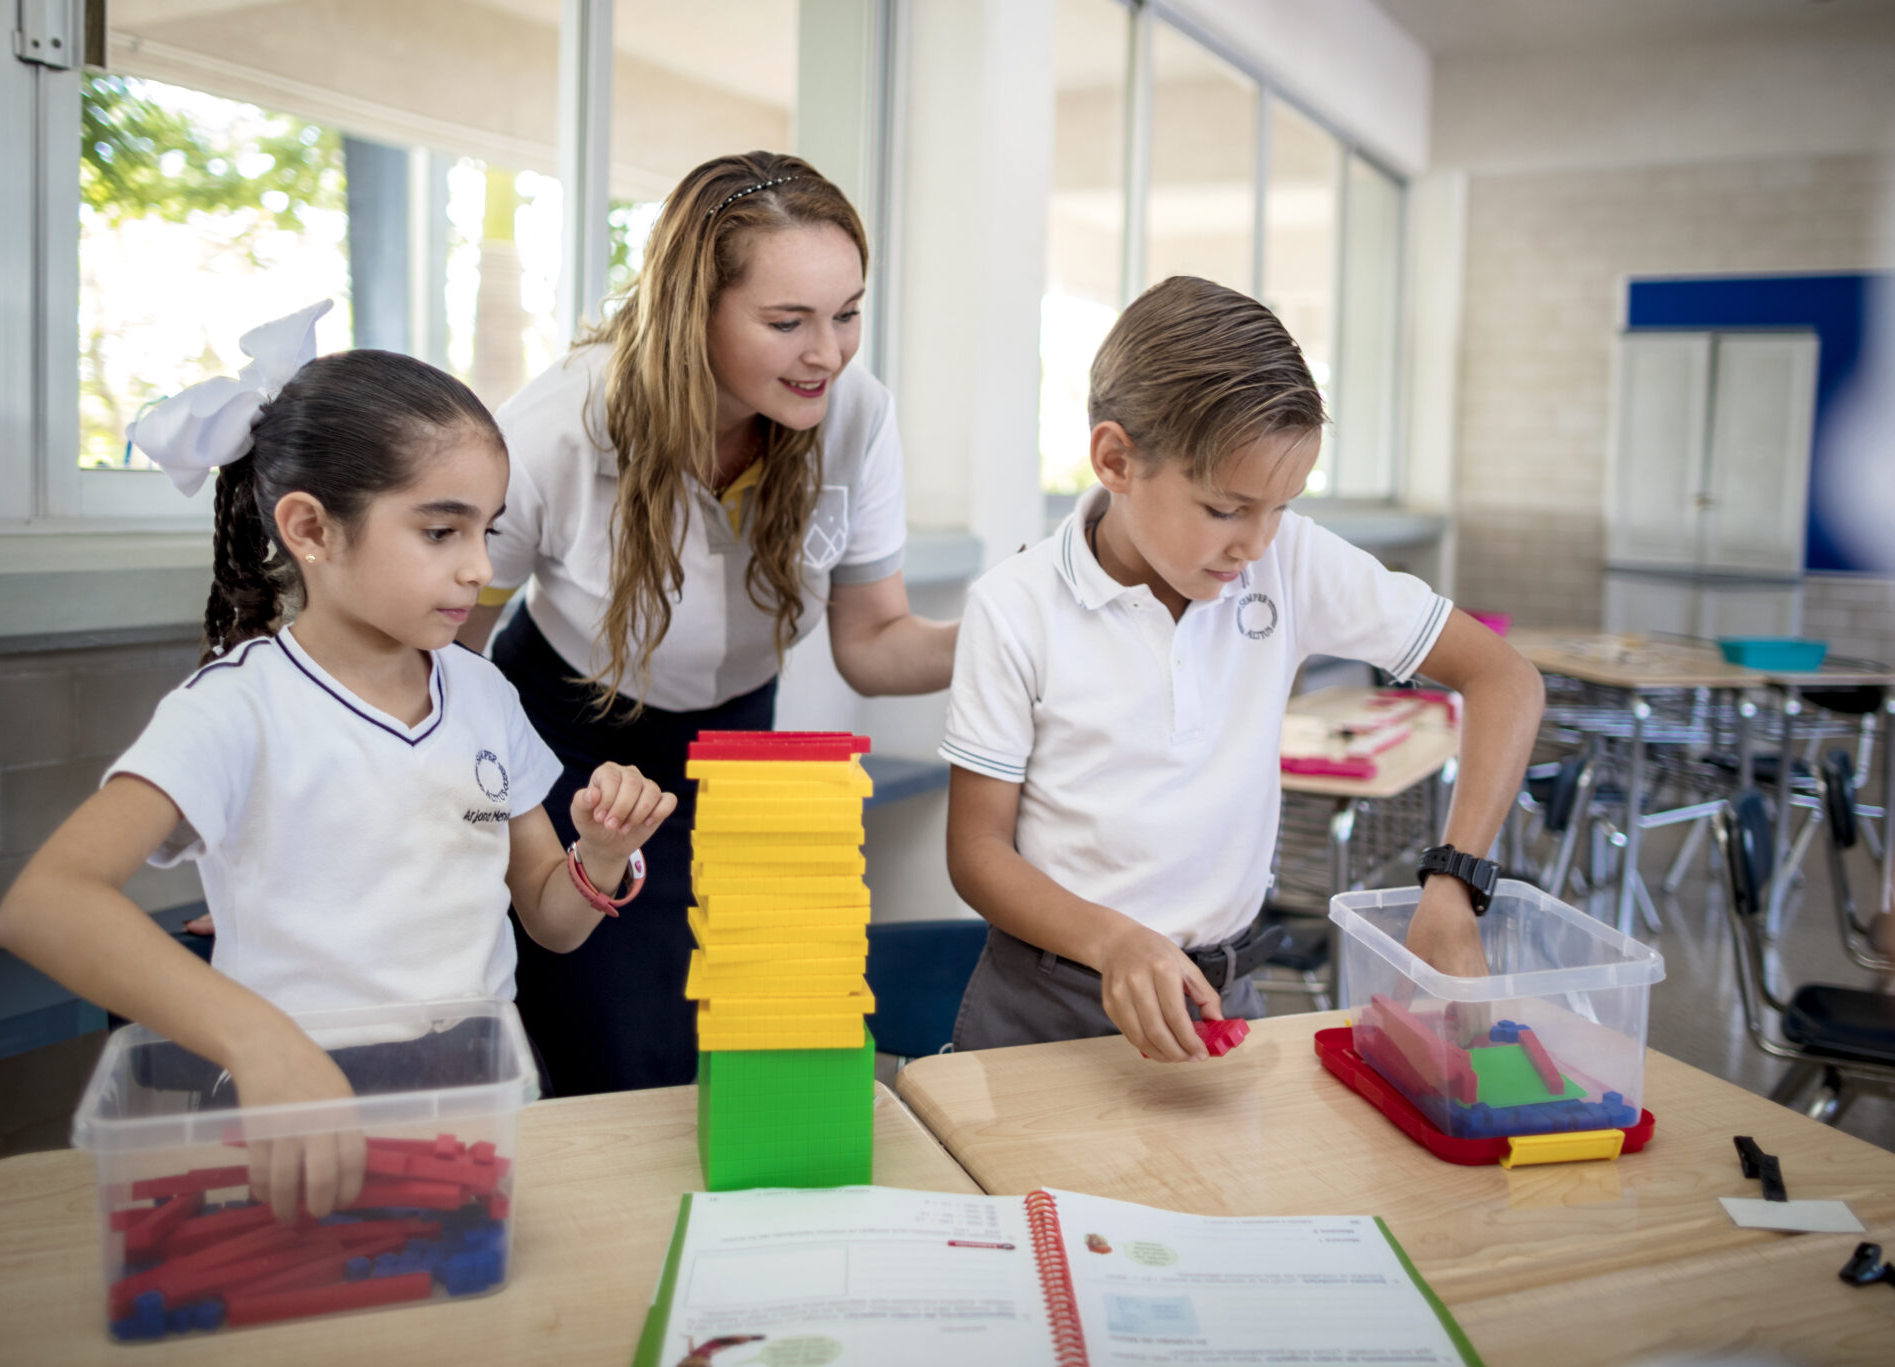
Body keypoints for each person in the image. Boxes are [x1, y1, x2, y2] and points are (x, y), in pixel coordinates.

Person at [0, 302, 675, 1221]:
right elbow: (46, 904)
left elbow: (549, 922)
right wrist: (260, 1042)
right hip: (299, 1134)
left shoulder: (483, 696)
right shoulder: (236, 708)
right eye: (442, 531)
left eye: (487, 529)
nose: (480, 567)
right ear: (310, 528)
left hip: (480, 1118)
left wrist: (596, 854)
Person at [940, 276, 1545, 1061]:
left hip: (1223, 997)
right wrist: (1115, 941)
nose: (1255, 544)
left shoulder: (1286, 563)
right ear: (1116, 459)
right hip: (1047, 1008)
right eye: (1226, 509)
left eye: (1282, 506)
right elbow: (977, 851)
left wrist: (1454, 882)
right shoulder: (1014, 606)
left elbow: (1504, 678)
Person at [457, 152, 956, 1096]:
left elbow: (873, 642)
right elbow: (446, 645)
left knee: (728, 1036)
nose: (830, 352)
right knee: (616, 1049)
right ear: (697, 309)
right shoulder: (561, 425)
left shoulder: (853, 416)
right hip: (566, 733)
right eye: (787, 322)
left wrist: (1012, 637)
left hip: (733, 741)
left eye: (847, 312)